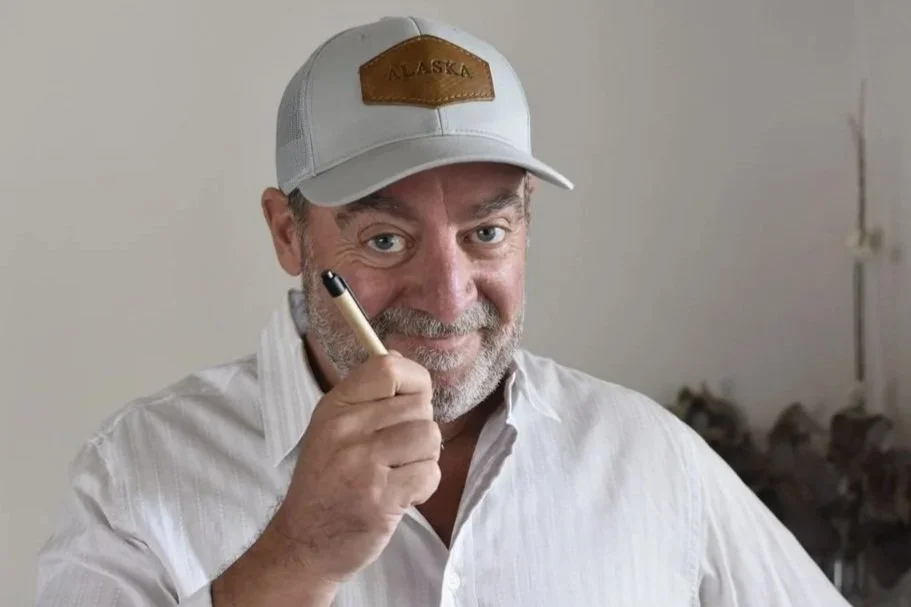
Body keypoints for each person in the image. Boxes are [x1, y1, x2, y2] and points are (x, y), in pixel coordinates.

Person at [35, 15, 849, 607]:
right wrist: (295, 558)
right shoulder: (139, 470)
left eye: (485, 232)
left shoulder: (649, 458)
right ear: (289, 232)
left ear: (524, 222)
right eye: (385, 240)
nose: (449, 295)